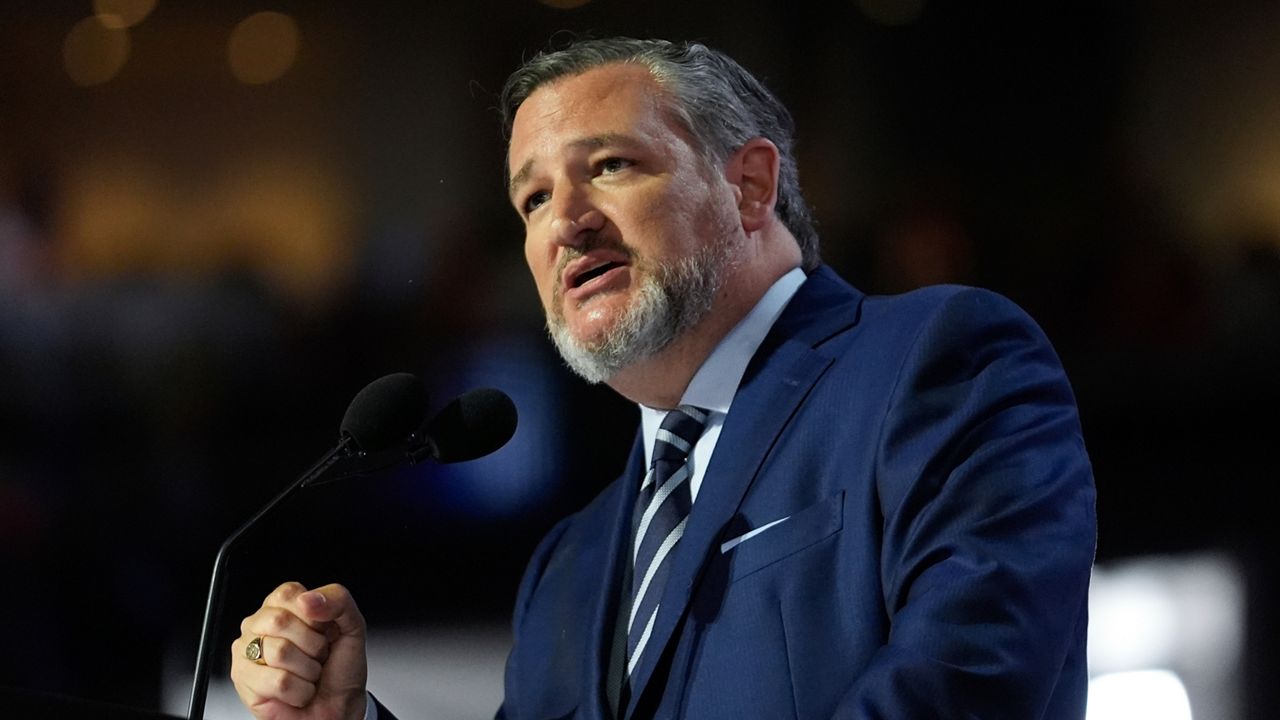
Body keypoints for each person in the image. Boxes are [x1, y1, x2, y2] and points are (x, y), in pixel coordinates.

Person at [229, 37, 1097, 720]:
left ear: (750, 185)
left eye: (608, 166)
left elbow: (966, 683)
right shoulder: (569, 564)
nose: (565, 222)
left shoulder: (936, 360)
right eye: (531, 200)